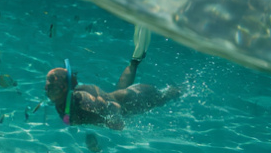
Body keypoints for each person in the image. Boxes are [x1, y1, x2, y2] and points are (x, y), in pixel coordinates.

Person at [45, 54, 179, 129]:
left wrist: (112, 122)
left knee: (167, 96)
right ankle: (134, 62)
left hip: (137, 97)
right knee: (119, 91)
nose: (46, 89)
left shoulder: (84, 101)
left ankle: (181, 89)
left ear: (64, 88)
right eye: (47, 85)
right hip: (124, 95)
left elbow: (115, 107)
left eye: (51, 87)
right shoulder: (62, 102)